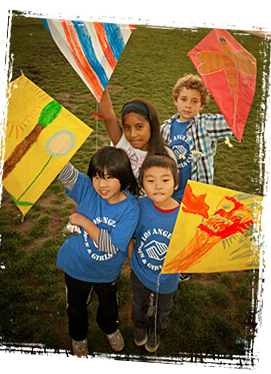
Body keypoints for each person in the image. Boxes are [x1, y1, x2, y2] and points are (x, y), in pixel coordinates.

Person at [56, 147, 140, 357]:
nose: (101, 184)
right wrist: (51, 150)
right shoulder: (87, 189)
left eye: (109, 177)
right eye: (96, 177)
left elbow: (111, 246)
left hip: (106, 271)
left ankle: (109, 328)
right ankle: (78, 337)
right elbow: (61, 170)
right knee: (75, 307)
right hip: (75, 266)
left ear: (123, 177)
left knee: (108, 305)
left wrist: (83, 221)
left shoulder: (131, 208)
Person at [128, 153, 181, 353]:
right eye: (150, 181)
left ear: (176, 184)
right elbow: (127, 234)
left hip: (167, 279)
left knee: (162, 309)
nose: (158, 186)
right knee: (138, 303)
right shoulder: (139, 206)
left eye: (165, 180)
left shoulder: (185, 215)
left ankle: (157, 331)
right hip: (140, 272)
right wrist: (131, 257)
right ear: (142, 186)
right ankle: (140, 326)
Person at [161, 74, 235, 202]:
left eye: (194, 101)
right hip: (170, 197)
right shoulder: (164, 129)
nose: (188, 105)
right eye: (183, 99)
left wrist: (227, 96)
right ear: (175, 100)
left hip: (198, 196)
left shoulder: (205, 124)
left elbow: (233, 124)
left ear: (202, 105)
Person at [98, 89, 176, 182]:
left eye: (139, 127)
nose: (132, 134)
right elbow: (108, 116)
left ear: (152, 125)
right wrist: (99, 83)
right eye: (127, 128)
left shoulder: (166, 154)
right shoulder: (124, 144)